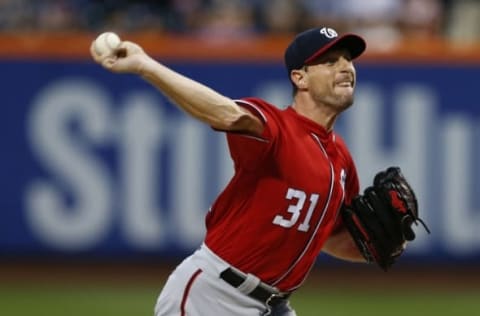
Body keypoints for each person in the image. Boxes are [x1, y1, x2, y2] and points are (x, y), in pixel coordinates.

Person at [91, 26, 367, 316]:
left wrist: (387, 248)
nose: (346, 67)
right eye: (330, 61)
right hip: (213, 296)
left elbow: (333, 237)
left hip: (274, 306)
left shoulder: (341, 158)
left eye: (348, 59)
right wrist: (146, 66)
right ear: (300, 78)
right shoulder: (277, 127)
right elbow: (227, 114)